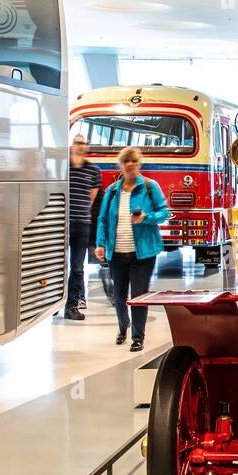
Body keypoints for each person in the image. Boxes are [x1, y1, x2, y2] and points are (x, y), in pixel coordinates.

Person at [95, 146, 170, 351]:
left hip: (143, 254)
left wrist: (146, 218)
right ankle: (122, 327)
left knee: (138, 296)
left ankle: (138, 337)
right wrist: (100, 244)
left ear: (139, 164)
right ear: (121, 165)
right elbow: (102, 219)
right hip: (116, 253)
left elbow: (164, 212)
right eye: (126, 161)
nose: (130, 165)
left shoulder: (149, 187)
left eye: (134, 161)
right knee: (119, 296)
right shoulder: (112, 191)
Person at [65, 133, 100, 321]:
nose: (80, 146)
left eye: (83, 144)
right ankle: (54, 303)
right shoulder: (63, 168)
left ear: (87, 147)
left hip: (82, 224)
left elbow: (91, 199)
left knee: (77, 268)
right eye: (77, 143)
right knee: (58, 266)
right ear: (71, 146)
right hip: (62, 224)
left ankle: (71, 306)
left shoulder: (93, 171)